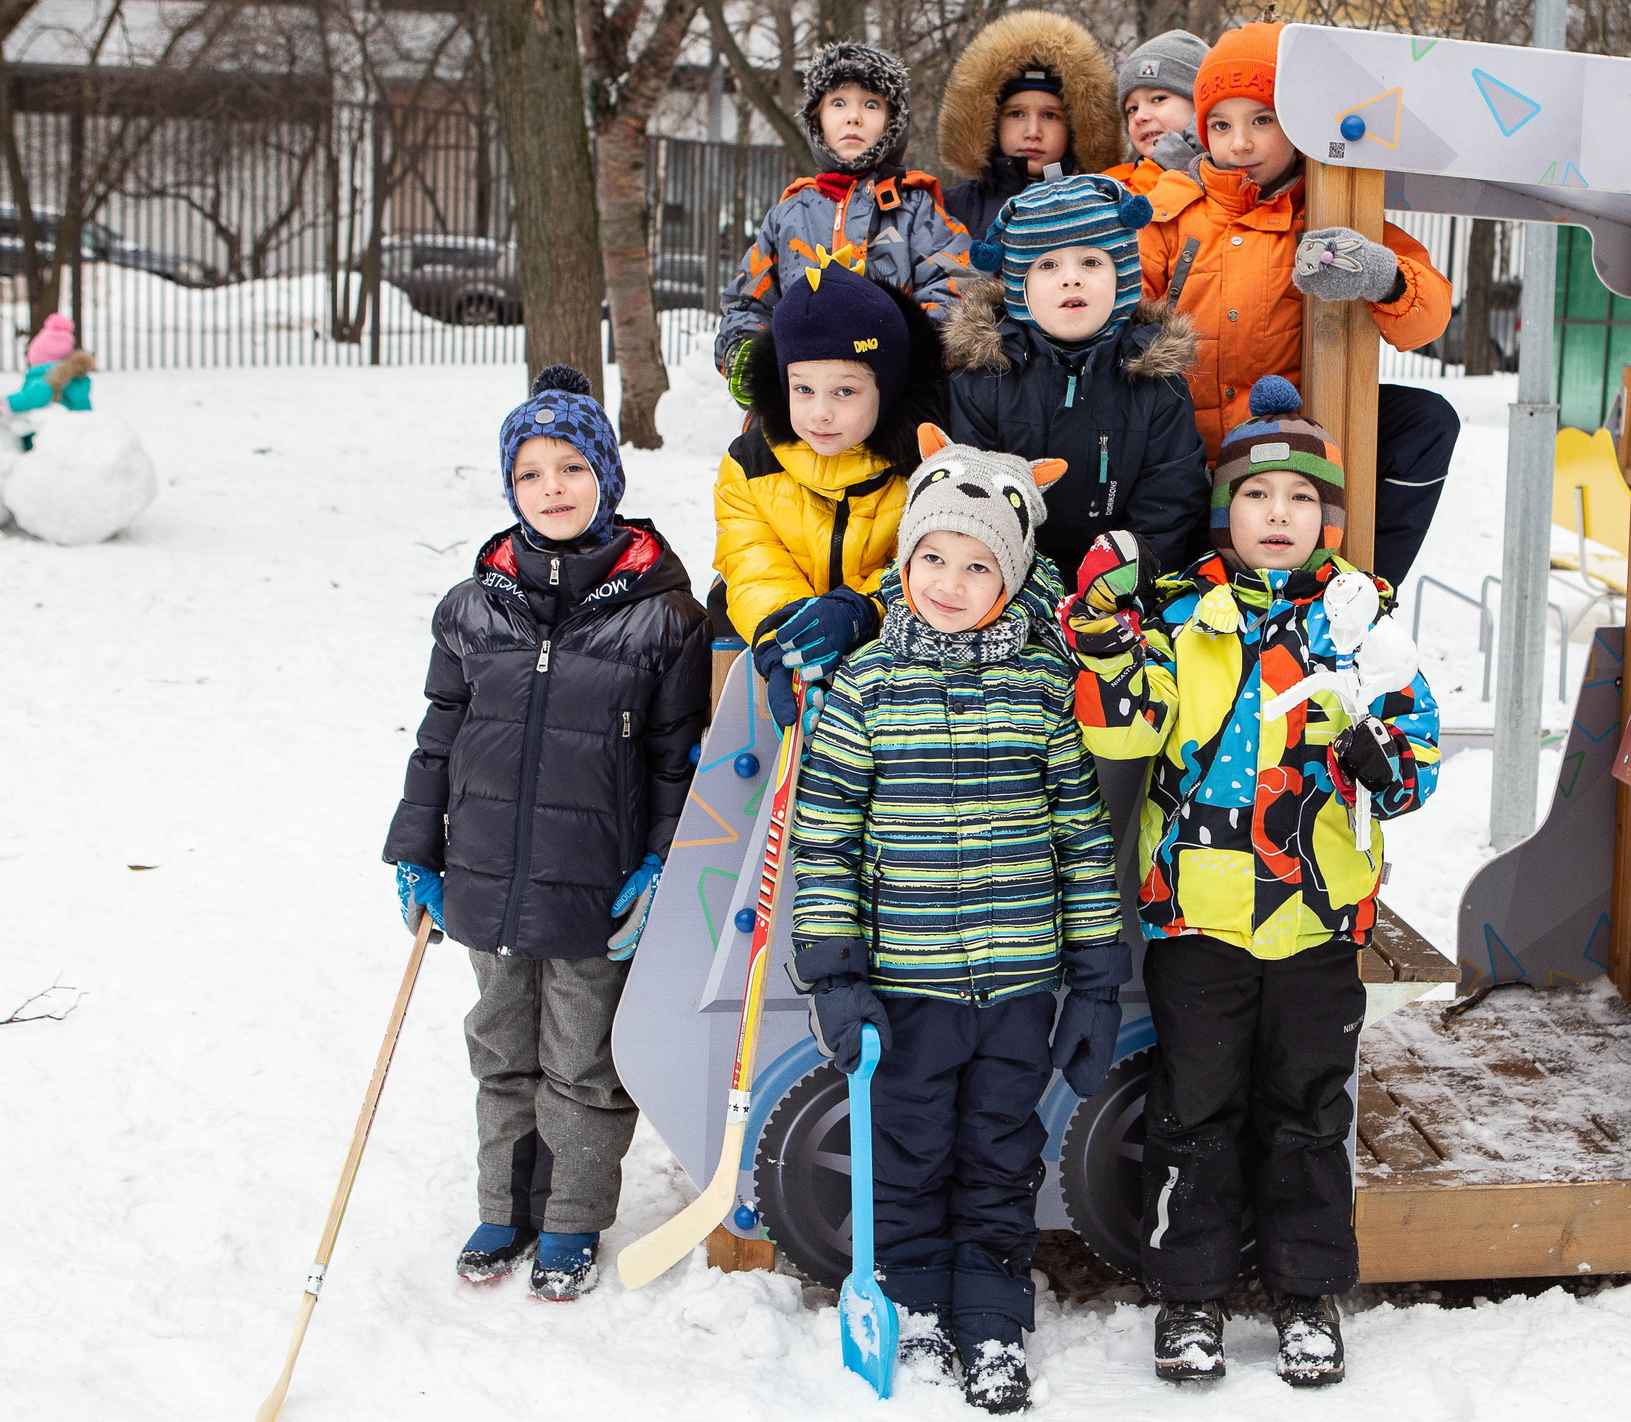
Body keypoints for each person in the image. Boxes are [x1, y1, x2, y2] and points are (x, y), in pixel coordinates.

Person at [1063, 376, 1440, 1390]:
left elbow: (1417, 756)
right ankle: (1188, 1298)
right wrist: (1102, 638)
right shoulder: (1185, 615)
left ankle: (1305, 1294)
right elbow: (1123, 727)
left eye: (1300, 501)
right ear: (1226, 512)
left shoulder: (1361, 622)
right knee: (1196, 1111)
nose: (1279, 516)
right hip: (1202, 915)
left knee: (1308, 1111)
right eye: (1258, 496)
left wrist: (1383, 762)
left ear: (1329, 519)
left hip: (1317, 917)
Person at [788, 427, 1124, 1414]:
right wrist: (837, 976)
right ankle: (917, 1305)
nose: (947, 578)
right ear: (904, 561)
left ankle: (990, 1319)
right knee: (904, 1156)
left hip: (1020, 987)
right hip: (907, 987)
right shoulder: (867, 687)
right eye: (931, 555)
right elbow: (825, 842)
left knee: (998, 1155)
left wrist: (1096, 980)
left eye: (976, 564)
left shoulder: (1041, 690)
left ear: (1011, 579)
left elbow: (1078, 837)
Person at [382, 365, 713, 1302]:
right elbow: (440, 734)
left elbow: (670, 756)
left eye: (571, 466)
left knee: (582, 1056)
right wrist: (416, 845)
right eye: (531, 473)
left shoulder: (662, 614)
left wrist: (658, 858)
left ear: (607, 476)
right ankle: (504, 1204)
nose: (553, 487)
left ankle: (571, 1218)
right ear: (509, 487)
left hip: (595, 879)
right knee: (499, 1043)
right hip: (486, 871)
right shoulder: (472, 606)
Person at [1137, 20, 1461, 586]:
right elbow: (1120, 307)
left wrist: (1382, 277)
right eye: (1221, 124)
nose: (1240, 142)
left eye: (1263, 120)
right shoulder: (1172, 212)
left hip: (1290, 447)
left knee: (1428, 421)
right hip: (1185, 452)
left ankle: (1360, 590)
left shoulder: (1330, 213)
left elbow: (1427, 319)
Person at [943, 174, 1210, 583]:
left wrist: (1122, 584)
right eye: (1047, 265)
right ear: (1020, 287)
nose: (1072, 278)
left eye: (1091, 262)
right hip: (1008, 578)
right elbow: (972, 495)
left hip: (1122, 584)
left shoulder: (1156, 380)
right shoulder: (984, 376)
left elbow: (1169, 498)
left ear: (1121, 279)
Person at [714, 264, 947, 724]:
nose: (819, 413)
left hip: (896, 659)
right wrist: (785, 636)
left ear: (888, 387)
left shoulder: (923, 468)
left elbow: (927, 561)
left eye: (844, 390)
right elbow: (753, 562)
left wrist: (863, 612)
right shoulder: (751, 463)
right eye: (802, 388)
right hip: (780, 641)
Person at [714, 40, 969, 378]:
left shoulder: (916, 209)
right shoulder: (789, 214)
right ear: (816, 118)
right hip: (799, 400)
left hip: (889, 397)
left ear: (894, 121)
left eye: (871, 104)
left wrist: (908, 355)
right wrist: (747, 358)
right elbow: (747, 302)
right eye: (838, 102)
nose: (853, 117)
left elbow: (958, 285)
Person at [937, 11, 1121, 237]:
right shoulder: (948, 209)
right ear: (988, 122)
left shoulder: (1104, 208)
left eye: (1050, 116)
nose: (1033, 132)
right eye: (1016, 114)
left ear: (1077, 128)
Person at [1106, 28, 1210, 197]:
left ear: (1200, 104)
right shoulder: (1113, 188)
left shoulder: (1242, 175)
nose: (1139, 117)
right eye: (1132, 109)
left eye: (1157, 99)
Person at [0, 312, 95, 434]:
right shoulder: (72, 378)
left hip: (58, 436)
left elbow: (39, 393)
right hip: (80, 432)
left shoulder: (47, 378)